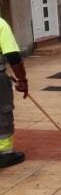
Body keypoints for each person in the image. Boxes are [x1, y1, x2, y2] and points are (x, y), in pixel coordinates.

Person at [0, 16, 28, 168]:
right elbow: (13, 57)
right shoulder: (1, 25)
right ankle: (4, 153)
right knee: (3, 113)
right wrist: (22, 80)